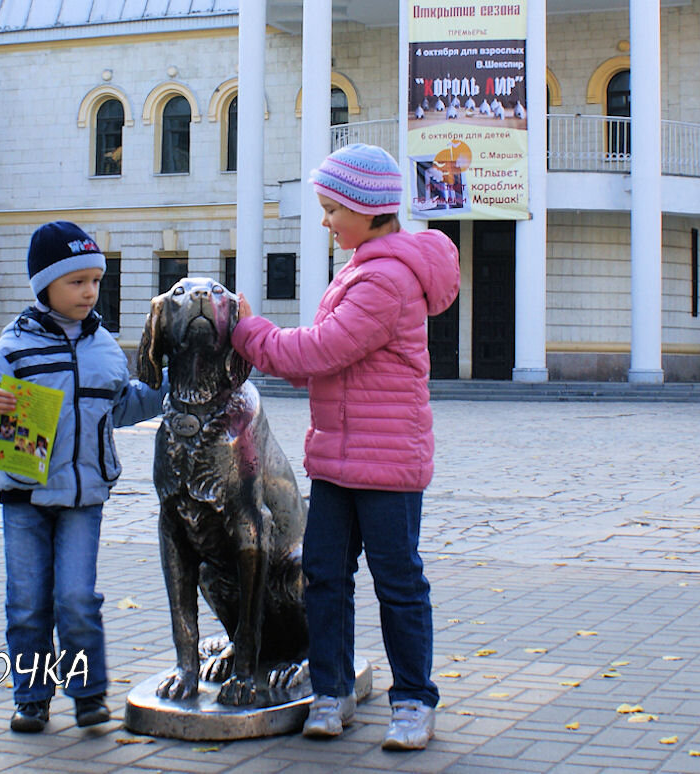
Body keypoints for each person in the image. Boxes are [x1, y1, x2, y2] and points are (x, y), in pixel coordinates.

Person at [231, 144, 459, 751]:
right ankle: (330, 692)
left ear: (367, 208)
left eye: (333, 209)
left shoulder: (385, 278)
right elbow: (327, 360)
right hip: (338, 459)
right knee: (325, 576)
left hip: (385, 466)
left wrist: (248, 331)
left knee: (397, 582)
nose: (326, 220)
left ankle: (413, 701)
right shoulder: (362, 267)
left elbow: (319, 352)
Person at [0, 221, 167, 733]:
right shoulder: (12, 347)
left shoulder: (104, 349)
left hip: (83, 497)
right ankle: (31, 697)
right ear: (45, 285)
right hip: (24, 497)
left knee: (77, 599)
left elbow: (121, 407)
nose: (89, 291)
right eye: (76, 281)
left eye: (96, 280)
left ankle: (89, 694)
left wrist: (168, 388)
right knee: (28, 602)